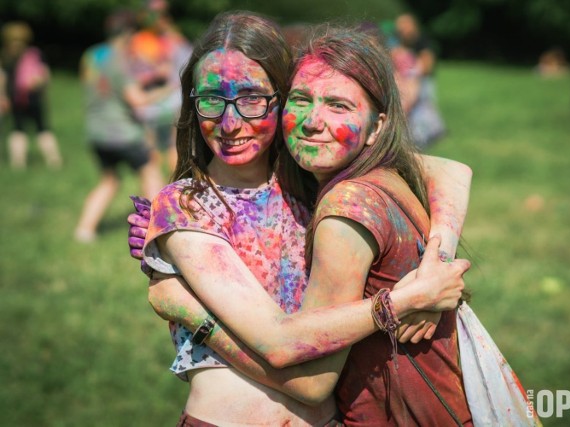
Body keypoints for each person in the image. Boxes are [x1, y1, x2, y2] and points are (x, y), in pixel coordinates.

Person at [128, 12, 472, 426]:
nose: (230, 123)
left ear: (282, 98)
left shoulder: (311, 174)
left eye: (253, 98)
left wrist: (437, 262)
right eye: (212, 99)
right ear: (193, 102)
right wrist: (408, 301)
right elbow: (285, 352)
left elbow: (450, 170)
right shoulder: (187, 204)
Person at [73, 9, 170, 243]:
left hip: (97, 131)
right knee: (150, 171)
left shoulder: (92, 55)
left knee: (109, 180)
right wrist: (166, 89)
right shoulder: (121, 59)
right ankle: (160, 230)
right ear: (128, 33)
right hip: (123, 133)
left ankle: (84, 231)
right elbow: (136, 98)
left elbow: (106, 85)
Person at [128, 0, 192, 174]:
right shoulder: (140, 40)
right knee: (156, 145)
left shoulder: (168, 38)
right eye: (157, 14)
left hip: (167, 99)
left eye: (162, 14)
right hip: (152, 100)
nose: (159, 19)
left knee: (170, 143)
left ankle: (173, 183)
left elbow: (186, 58)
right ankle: (161, 185)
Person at [1, 21, 62, 169]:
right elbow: (45, 74)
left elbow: (2, 77)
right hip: (27, 98)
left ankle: (20, 163)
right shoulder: (34, 54)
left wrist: (2, 96)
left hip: (21, 98)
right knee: (36, 128)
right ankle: (52, 161)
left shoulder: (7, 56)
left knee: (22, 128)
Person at [391, 13, 446, 149]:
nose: (401, 30)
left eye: (403, 26)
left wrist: (413, 72)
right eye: (399, 27)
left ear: (412, 25)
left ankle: (426, 135)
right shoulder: (399, 42)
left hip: (421, 81)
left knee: (423, 108)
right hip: (408, 81)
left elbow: (427, 63)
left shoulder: (421, 40)